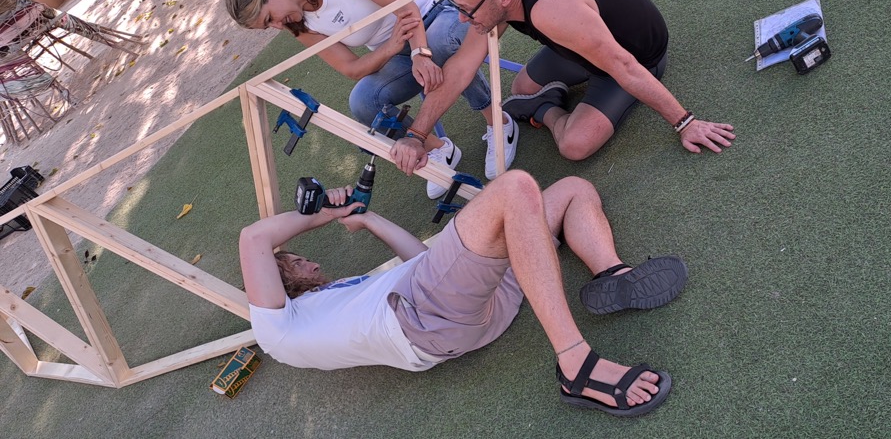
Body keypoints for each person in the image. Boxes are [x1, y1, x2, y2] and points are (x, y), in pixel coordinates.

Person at [238, 170, 688, 416]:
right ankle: (576, 364)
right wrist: (329, 213)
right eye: (296, 265)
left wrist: (371, 221)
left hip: (470, 311)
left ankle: (611, 272)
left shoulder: (336, 301)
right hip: (426, 318)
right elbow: (252, 239)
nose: (312, 264)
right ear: (279, 282)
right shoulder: (277, 330)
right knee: (514, 188)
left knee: (571, 190)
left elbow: (422, 262)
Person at [389, 0, 735, 173]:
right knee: (522, 85)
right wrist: (417, 135)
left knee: (573, 145)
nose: (463, 19)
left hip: (637, 57)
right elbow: (461, 67)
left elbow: (625, 66)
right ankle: (539, 100)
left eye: (467, 10)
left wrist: (685, 123)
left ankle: (546, 111)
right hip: (583, 46)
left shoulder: (552, 12)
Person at [224, 0, 518, 199]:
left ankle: (498, 122)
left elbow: (407, 5)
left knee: (440, 46)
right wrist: (392, 48)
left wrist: (420, 53)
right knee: (363, 102)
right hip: (399, 50)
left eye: (269, 19)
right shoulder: (297, 24)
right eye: (269, 27)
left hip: (434, 14)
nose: (277, 26)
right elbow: (351, 68)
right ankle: (438, 150)